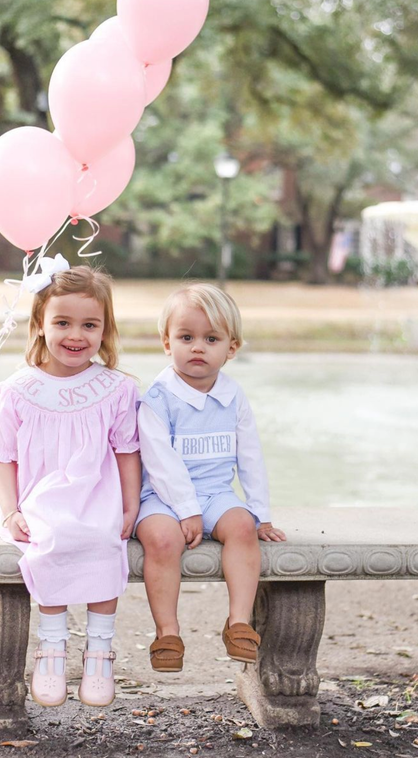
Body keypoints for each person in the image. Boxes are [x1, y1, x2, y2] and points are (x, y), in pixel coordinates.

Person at [0, 255, 141, 708]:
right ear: (40, 323)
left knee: (102, 537)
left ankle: (100, 650)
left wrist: (130, 506)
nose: (76, 335)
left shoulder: (116, 388)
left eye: (90, 325)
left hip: (96, 490)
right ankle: (51, 648)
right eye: (63, 322)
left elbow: (127, 452)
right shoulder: (16, 391)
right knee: (49, 536)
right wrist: (10, 510)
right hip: (35, 492)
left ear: (105, 330)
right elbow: (2, 458)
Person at [136, 283, 286, 673]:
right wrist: (185, 510)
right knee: (162, 539)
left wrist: (259, 512)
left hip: (215, 493)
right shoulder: (157, 398)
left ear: (231, 348)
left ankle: (239, 622)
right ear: (167, 343)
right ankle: (167, 631)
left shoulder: (233, 395)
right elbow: (159, 462)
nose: (197, 347)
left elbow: (250, 454)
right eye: (186, 337)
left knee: (241, 526)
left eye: (211, 338)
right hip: (162, 498)